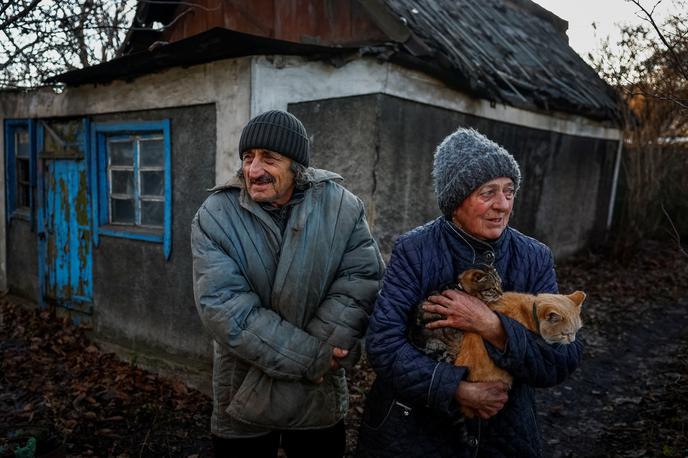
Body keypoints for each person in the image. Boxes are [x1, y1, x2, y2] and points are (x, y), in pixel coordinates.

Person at [355, 127, 583, 457]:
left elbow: (562, 354)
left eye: (509, 191)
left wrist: (492, 326)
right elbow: (383, 343)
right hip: (414, 432)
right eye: (487, 193)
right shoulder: (415, 250)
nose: (502, 205)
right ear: (455, 200)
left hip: (504, 432)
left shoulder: (534, 257)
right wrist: (454, 388)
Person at [191, 110, 384, 457]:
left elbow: (360, 282)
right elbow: (225, 309)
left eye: (269, 158)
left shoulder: (342, 207)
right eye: (248, 157)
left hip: (317, 400)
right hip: (245, 393)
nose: (253, 170)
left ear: (296, 165)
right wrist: (312, 357)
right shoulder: (215, 215)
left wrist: (323, 353)